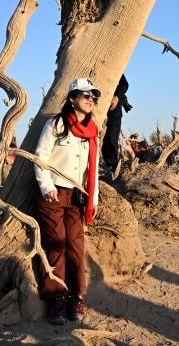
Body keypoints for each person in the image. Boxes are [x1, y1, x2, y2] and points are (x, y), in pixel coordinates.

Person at [33, 78, 102, 325]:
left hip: (77, 196)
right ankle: (57, 299)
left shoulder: (92, 132)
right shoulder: (56, 124)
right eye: (85, 95)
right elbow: (40, 157)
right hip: (52, 194)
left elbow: (93, 170)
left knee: (75, 245)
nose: (90, 99)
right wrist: (46, 186)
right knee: (55, 244)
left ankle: (77, 296)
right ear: (72, 98)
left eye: (93, 96)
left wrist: (93, 200)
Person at [102, 74, 131, 171]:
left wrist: (117, 97)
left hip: (114, 111)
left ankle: (113, 167)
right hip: (98, 109)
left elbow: (125, 85)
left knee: (112, 138)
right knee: (103, 140)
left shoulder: (116, 71)